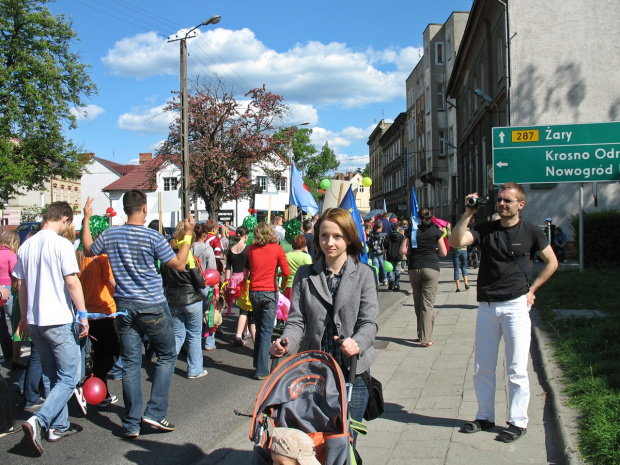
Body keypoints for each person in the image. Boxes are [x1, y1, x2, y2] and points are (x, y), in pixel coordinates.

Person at [82, 191, 196, 439]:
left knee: (131, 363)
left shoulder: (111, 235)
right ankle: (154, 413)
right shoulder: (153, 236)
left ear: (125, 208)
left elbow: (88, 249)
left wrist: (87, 219)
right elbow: (178, 263)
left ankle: (132, 423)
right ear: (144, 208)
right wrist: (188, 234)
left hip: (124, 306)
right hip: (152, 305)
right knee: (167, 354)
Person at [450, 183, 558, 443]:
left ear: (520, 204)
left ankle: (517, 421)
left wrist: (532, 289)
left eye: (508, 201)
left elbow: (551, 262)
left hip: (515, 306)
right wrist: (467, 213)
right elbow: (455, 242)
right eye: (500, 200)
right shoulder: (486, 229)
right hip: (487, 306)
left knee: (516, 368)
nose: (502, 204)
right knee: (482, 366)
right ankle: (485, 416)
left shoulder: (531, 231)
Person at [270, 208, 378, 456]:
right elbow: (296, 321)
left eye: (337, 236)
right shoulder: (306, 275)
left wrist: (358, 343)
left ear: (349, 238)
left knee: (345, 443)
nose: (330, 242)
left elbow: (370, 322)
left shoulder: (363, 274)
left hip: (353, 373)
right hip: (315, 376)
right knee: (316, 441)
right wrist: (285, 342)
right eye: (324, 236)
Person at [14, 201, 89, 456]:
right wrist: (83, 314)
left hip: (35, 321)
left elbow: (21, 287)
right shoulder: (62, 244)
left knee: (51, 375)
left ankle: (59, 424)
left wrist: (24, 318)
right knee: (70, 376)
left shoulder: (27, 245)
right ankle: (41, 420)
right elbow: (71, 282)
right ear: (64, 219)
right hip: (57, 318)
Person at [76, 216, 120, 408]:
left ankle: (102, 393)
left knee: (99, 353)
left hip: (87, 312)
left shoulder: (80, 256)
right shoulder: (103, 257)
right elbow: (113, 283)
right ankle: (93, 386)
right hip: (105, 311)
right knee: (112, 354)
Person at [161, 222, 207, 379]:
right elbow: (201, 282)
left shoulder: (167, 257)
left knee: (177, 335)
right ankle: (195, 369)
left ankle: (165, 367)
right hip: (192, 299)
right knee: (194, 334)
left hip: (174, 300)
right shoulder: (190, 258)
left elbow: (164, 281)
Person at [244, 222, 290, 380]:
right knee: (266, 331)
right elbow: (286, 271)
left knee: (259, 328)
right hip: (270, 291)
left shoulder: (251, 249)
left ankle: (258, 363)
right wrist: (281, 284)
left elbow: (249, 268)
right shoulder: (277, 249)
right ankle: (262, 370)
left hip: (254, 292)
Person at [400, 207, 448, 347]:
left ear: (419, 218)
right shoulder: (436, 231)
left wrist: (412, 252)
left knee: (418, 301)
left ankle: (421, 334)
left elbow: (403, 250)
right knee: (428, 304)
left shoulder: (412, 230)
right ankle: (425, 338)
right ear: (432, 217)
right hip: (431, 267)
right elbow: (444, 253)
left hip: (414, 267)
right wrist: (434, 251)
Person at [225, 227, 251, 346]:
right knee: (244, 308)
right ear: (246, 236)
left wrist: (226, 282)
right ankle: (240, 334)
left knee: (242, 306)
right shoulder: (247, 249)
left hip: (234, 279)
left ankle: (245, 331)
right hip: (244, 279)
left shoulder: (230, 249)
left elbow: (227, 267)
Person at [0, 231, 19, 368]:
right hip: (8, 289)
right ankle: (15, 353)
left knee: (1, 325)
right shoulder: (11, 255)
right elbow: (15, 271)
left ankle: (7, 352)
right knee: (14, 320)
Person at [282, 235, 312, 301]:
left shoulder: (286, 256)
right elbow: (309, 271)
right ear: (303, 245)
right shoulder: (306, 257)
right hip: (302, 287)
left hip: (289, 285)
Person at [450, 214, 470, 292]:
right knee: (464, 266)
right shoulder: (467, 229)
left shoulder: (455, 229)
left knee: (456, 268)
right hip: (464, 250)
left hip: (456, 250)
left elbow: (451, 237)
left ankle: (458, 287)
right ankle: (466, 283)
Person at [384, 223, 405, 291]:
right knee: (397, 270)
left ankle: (390, 280)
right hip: (398, 255)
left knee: (390, 269)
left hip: (390, 255)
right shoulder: (401, 236)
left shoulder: (388, 236)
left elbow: (385, 246)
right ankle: (396, 284)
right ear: (398, 228)